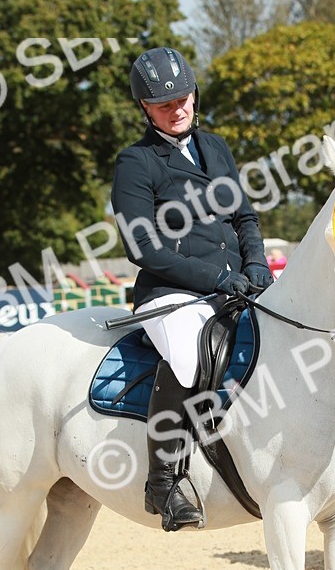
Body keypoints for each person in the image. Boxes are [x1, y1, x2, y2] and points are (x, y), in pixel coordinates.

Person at [111, 46, 273, 531]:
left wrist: (257, 262)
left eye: (183, 99)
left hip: (236, 282)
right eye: (164, 105)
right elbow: (142, 246)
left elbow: (244, 217)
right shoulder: (136, 162)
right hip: (171, 291)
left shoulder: (216, 148)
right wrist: (215, 279)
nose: (178, 109)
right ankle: (162, 481)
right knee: (187, 353)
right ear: (145, 108)